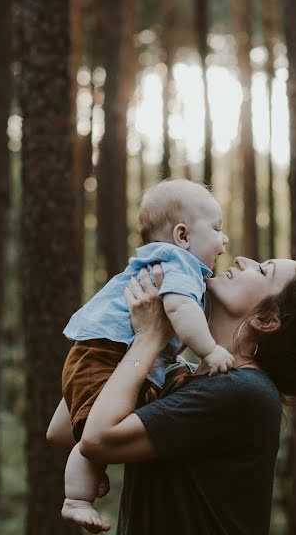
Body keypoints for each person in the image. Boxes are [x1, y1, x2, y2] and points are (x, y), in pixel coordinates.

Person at [66, 255, 296, 535]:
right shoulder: (181, 376)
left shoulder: (245, 393)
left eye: (261, 270)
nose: (241, 260)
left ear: (267, 320)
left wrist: (147, 338)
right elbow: (66, 426)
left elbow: (96, 441)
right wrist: (115, 325)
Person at [57, 179, 234, 532]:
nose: (224, 240)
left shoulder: (164, 263)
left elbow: (57, 432)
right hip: (105, 355)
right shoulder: (179, 265)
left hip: (105, 354)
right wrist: (210, 350)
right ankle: (76, 498)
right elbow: (182, 313)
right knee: (94, 434)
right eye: (216, 229)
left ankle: (85, 482)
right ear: (183, 235)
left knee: (98, 428)